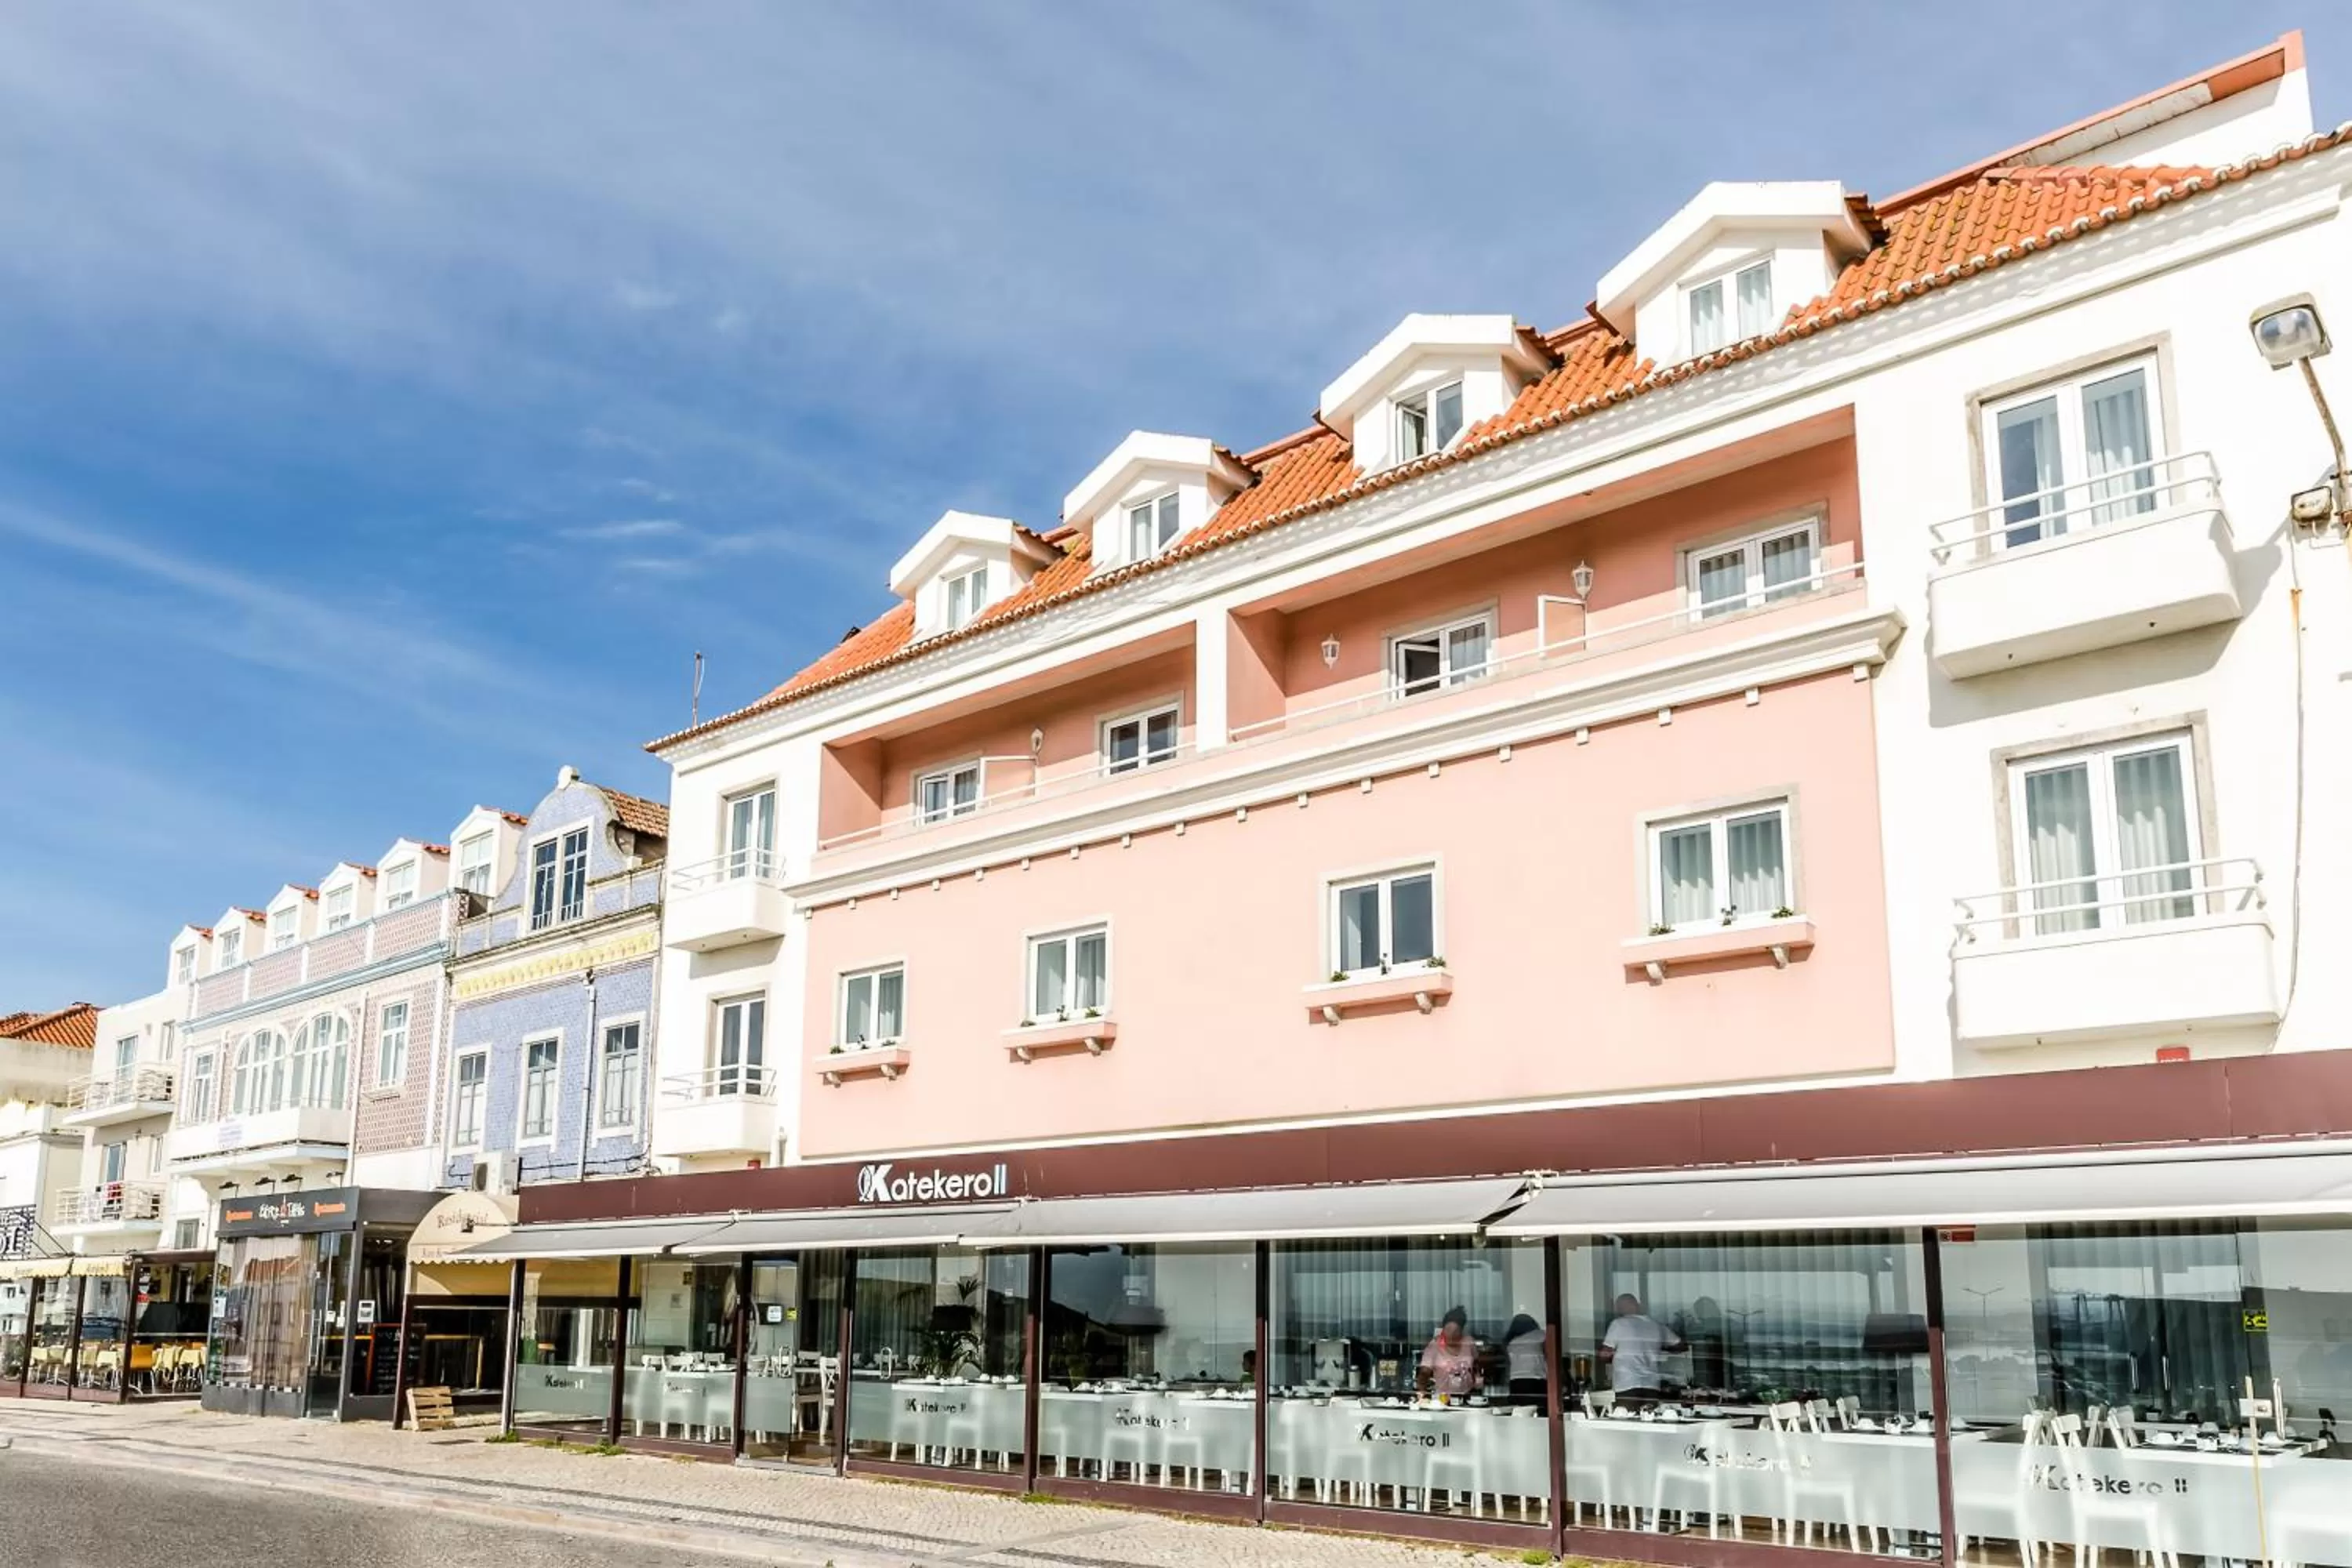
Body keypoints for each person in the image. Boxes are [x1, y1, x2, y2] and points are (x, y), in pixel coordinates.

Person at [1600, 1293, 1686, 1399]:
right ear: (1638, 1305)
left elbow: (1605, 1354)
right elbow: (1681, 1346)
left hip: (1626, 1384)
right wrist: (1660, 1347)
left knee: (1626, 1415)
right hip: (1651, 1385)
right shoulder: (1656, 1325)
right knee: (1649, 1415)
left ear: (1619, 1308)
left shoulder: (1618, 1324)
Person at [1418, 1305, 1479, 1399]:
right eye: (1448, 1330)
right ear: (1443, 1329)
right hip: (1442, 1399)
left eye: (1456, 1331)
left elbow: (1477, 1366)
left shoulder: (1468, 1342)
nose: (1451, 1335)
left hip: (1467, 1397)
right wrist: (1422, 1396)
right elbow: (1424, 1373)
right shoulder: (1434, 1346)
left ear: (1462, 1330)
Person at [1502, 1312, 1548, 1406]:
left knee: (1520, 1412)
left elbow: (1508, 1366)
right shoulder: (1540, 1335)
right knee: (1540, 1412)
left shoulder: (1510, 1343)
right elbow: (1551, 1358)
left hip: (1515, 1381)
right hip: (1536, 1379)